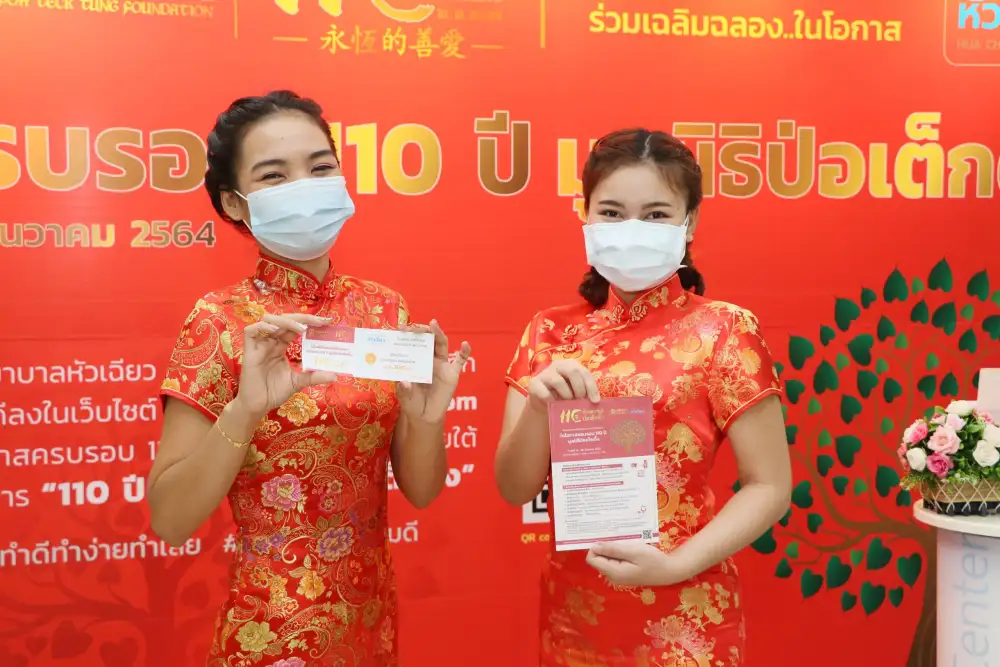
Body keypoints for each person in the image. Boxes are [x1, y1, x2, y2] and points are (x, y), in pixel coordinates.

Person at [147, 90, 470, 666]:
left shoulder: (384, 309)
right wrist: (246, 408)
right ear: (235, 203)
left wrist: (426, 418)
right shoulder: (220, 321)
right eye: (274, 175)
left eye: (320, 167)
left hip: (371, 623)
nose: (304, 186)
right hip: (269, 630)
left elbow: (422, 491)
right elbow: (171, 520)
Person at [494, 128, 791, 666]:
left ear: (689, 222)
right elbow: (515, 487)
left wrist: (677, 565)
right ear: (585, 215)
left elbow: (769, 485)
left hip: (688, 613)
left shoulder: (724, 330)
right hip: (575, 614)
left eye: (655, 214)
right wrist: (539, 408)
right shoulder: (550, 333)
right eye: (611, 212)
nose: (631, 229)